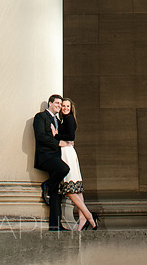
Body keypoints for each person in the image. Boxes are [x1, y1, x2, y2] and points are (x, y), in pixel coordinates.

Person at [57, 98, 98, 230]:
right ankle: (83, 219)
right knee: (77, 188)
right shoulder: (65, 119)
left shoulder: (68, 119)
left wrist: (56, 135)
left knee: (69, 188)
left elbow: (70, 136)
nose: (65, 108)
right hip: (68, 151)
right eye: (63, 106)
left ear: (71, 108)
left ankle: (88, 216)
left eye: (67, 106)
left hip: (67, 153)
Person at [33, 94, 70, 231]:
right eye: (57, 103)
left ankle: (56, 225)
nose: (59, 106)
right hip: (45, 156)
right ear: (50, 103)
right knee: (64, 169)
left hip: (56, 156)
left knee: (56, 192)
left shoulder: (58, 122)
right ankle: (46, 184)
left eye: (61, 104)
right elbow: (40, 136)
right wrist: (58, 143)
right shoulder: (41, 117)